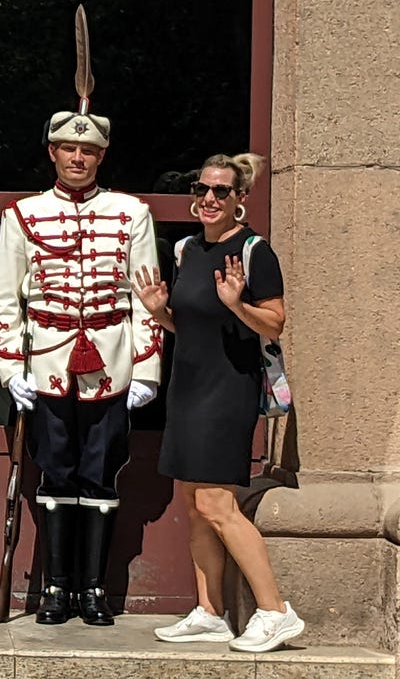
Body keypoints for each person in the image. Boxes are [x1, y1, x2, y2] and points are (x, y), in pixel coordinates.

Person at [0, 103, 162, 626]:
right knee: (56, 472)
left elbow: (146, 297)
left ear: (102, 156)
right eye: (69, 149)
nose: (78, 158)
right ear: (53, 153)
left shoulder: (132, 214)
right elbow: (4, 300)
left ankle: (93, 589)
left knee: (102, 474)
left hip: (111, 366)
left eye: (89, 150)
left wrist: (147, 369)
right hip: (46, 365)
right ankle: (56, 588)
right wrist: (10, 367)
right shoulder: (22, 215)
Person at [134, 153, 304, 652]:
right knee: (192, 501)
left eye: (221, 192)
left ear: (240, 200)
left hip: (229, 390)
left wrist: (238, 303)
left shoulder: (255, 252)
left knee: (216, 502)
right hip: (187, 388)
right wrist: (159, 312)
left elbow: (274, 323)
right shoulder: (186, 250)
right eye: (202, 188)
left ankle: (276, 611)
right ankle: (210, 612)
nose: (209, 198)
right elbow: (189, 326)